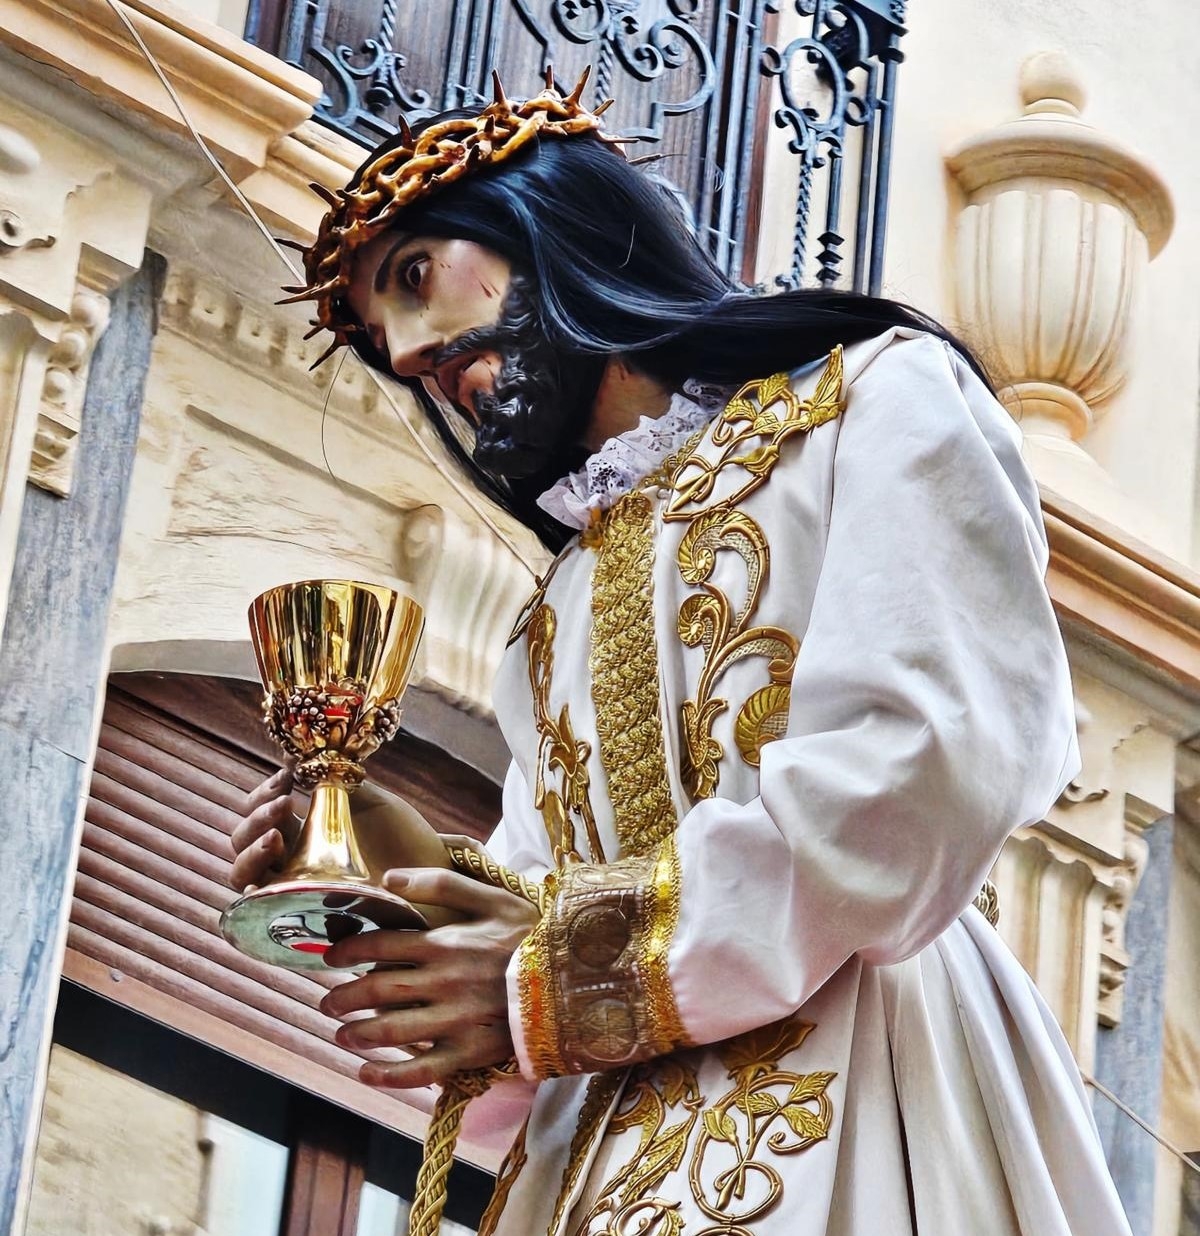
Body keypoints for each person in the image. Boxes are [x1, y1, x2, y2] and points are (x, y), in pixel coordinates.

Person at [232, 75, 1132, 1234]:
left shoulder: (873, 400)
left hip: (855, 1084)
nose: (411, 354)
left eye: (415, 275)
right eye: (377, 337)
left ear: (550, 223)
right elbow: (548, 912)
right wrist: (422, 882)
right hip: (604, 1159)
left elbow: (920, 768)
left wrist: (560, 976)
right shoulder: (551, 612)